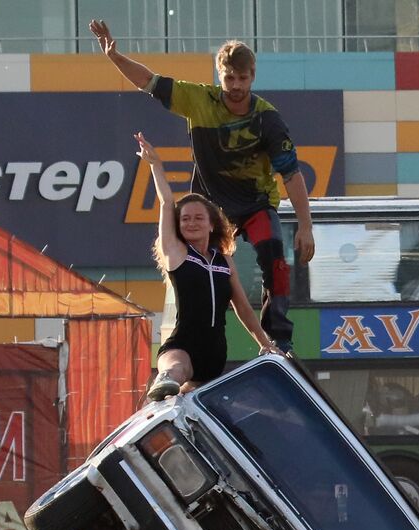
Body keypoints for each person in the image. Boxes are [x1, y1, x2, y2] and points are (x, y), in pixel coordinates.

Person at [89, 20, 314, 355]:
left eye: (242, 79)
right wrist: (115, 56)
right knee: (194, 265)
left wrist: (306, 227)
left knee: (274, 255)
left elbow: (292, 175)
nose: (236, 86)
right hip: (212, 208)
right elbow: (149, 82)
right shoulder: (198, 99)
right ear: (219, 75)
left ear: (252, 76)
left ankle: (279, 339)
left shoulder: (267, 119)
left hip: (255, 204)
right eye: (229, 78)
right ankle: (190, 333)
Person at [136, 133, 277, 402]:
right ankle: (163, 384)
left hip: (214, 356)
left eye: (199, 218)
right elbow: (167, 203)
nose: (191, 223)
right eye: (185, 219)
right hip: (183, 347)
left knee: (199, 408)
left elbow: (243, 308)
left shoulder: (224, 261)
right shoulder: (176, 253)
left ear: (211, 224)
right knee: (176, 371)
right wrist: (155, 165)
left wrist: (265, 343)